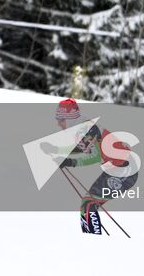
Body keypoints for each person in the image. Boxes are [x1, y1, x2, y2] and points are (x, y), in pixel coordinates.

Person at [45, 98, 136, 234]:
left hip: (125, 170)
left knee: (88, 204)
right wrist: (59, 153)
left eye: (61, 119)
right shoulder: (82, 127)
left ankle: (92, 240)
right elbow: (84, 149)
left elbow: (94, 156)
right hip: (117, 169)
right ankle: (91, 238)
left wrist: (71, 162)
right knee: (87, 204)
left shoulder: (85, 129)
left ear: (69, 118)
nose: (58, 123)